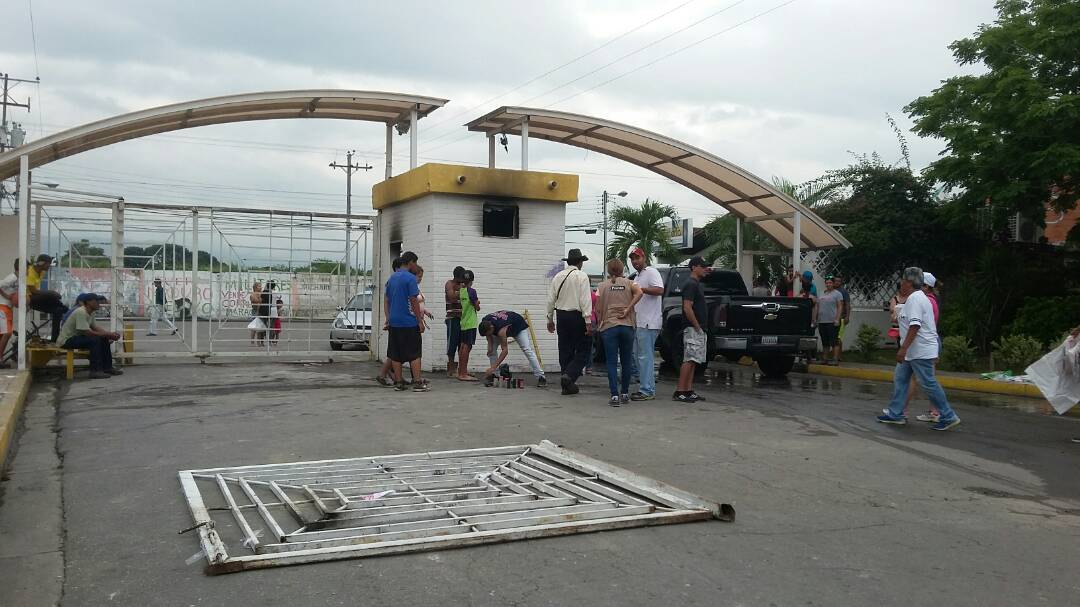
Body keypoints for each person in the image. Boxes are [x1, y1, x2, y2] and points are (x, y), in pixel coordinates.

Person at [877, 267, 961, 431]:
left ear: (908, 282)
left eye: (902, 280)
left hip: (919, 350)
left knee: (928, 383)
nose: (900, 283)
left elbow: (915, 325)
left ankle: (948, 415)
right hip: (912, 351)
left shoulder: (916, 299)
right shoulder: (915, 298)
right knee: (900, 379)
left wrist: (903, 348)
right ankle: (896, 414)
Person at [596, 259, 643, 406]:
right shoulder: (630, 283)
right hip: (627, 326)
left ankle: (614, 395)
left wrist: (600, 322)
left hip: (609, 326)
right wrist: (628, 308)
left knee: (611, 362)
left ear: (609, 271)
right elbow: (640, 293)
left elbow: (597, 307)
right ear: (622, 269)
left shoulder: (602, 286)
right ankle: (624, 393)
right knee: (626, 361)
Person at [546, 248, 593, 395]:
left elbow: (550, 299)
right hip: (577, 316)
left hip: (561, 316)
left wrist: (549, 318)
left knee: (565, 349)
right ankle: (569, 375)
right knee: (584, 349)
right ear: (580, 262)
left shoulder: (558, 276)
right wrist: (588, 320)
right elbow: (585, 300)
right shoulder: (582, 276)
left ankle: (567, 384)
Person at [386, 251, 428, 392]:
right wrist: (419, 321)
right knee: (414, 353)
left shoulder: (392, 278)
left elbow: (387, 300)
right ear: (410, 262)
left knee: (395, 353)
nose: (416, 266)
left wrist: (388, 318)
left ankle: (399, 382)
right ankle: (417, 382)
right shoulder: (410, 278)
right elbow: (414, 300)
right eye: (415, 263)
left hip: (394, 321)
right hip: (408, 321)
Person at [904, 272, 943, 423]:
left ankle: (902, 410)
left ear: (925, 287)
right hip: (930, 343)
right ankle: (935, 411)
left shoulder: (924, 301)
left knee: (920, 380)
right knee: (926, 379)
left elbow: (918, 325)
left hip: (925, 344)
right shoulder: (930, 300)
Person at [58, 292, 122, 379]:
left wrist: (108, 335)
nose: (99, 303)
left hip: (77, 338)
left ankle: (107, 368)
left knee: (102, 338)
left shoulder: (90, 312)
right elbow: (87, 332)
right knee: (95, 340)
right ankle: (95, 371)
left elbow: (95, 327)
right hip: (67, 340)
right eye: (96, 301)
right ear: (88, 302)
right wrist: (107, 334)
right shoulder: (81, 312)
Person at [629, 247, 664, 401]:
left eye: (637, 258)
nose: (635, 261)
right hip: (639, 322)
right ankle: (645, 387)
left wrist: (640, 289)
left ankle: (647, 390)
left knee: (645, 357)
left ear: (644, 258)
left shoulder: (651, 272)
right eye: (632, 259)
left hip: (649, 323)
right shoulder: (637, 276)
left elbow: (660, 289)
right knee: (638, 357)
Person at [479, 310, 547, 387]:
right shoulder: (485, 320)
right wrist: (490, 346)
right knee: (491, 351)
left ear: (491, 328)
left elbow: (505, 351)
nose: (488, 335)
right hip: (503, 325)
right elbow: (488, 334)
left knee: (527, 350)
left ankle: (541, 377)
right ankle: (494, 376)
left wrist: (493, 367)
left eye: (489, 333)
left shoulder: (501, 330)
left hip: (518, 326)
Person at [675, 256, 710, 403]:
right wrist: (696, 325)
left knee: (695, 359)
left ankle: (688, 390)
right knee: (689, 359)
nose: (705, 269)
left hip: (699, 327)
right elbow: (687, 307)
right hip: (692, 328)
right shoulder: (690, 284)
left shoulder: (696, 284)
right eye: (702, 266)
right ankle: (680, 391)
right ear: (694, 267)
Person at [26, 254, 68, 343]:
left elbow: (38, 291)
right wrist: (50, 293)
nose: (49, 266)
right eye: (48, 264)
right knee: (51, 295)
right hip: (29, 298)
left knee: (58, 310)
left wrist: (50, 294)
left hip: (36, 297)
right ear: (42, 263)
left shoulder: (42, 272)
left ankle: (54, 339)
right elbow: (33, 291)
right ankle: (63, 307)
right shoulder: (30, 271)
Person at [375, 258, 404, 386]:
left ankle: (392, 374)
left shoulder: (395, 280)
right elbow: (386, 301)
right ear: (398, 267)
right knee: (395, 351)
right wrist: (388, 317)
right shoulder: (392, 281)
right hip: (396, 320)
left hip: (396, 319)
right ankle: (383, 374)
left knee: (397, 351)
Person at [456, 270, 480, 381]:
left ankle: (460, 371)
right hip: (471, 322)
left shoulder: (461, 291)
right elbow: (477, 307)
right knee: (467, 347)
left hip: (463, 321)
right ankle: (463, 373)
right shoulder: (472, 291)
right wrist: (478, 303)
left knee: (462, 347)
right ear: (472, 281)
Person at [816, 276, 844, 365]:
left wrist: (837, 319)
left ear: (833, 284)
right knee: (825, 341)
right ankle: (825, 359)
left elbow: (840, 307)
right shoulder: (821, 293)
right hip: (822, 321)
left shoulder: (837, 294)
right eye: (827, 283)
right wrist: (816, 319)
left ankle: (835, 359)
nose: (828, 284)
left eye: (830, 283)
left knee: (834, 341)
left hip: (832, 321)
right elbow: (817, 306)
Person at [444, 266, 466, 377]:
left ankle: (461, 369)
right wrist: (464, 290)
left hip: (463, 318)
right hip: (453, 317)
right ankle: (451, 368)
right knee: (452, 343)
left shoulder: (463, 285)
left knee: (462, 344)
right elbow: (451, 296)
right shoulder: (450, 284)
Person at [0, 259, 18, 368]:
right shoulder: (12, 278)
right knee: (7, 333)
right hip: (3, 306)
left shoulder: (18, 279)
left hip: (7, 307)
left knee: (2, 334)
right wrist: (7, 296)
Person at [833, 274, 851, 362]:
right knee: (833, 336)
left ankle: (839, 355)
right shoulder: (831, 291)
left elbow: (847, 305)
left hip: (842, 317)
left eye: (839, 281)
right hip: (832, 317)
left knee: (839, 337)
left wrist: (847, 316)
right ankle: (834, 354)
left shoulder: (843, 292)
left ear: (841, 282)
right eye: (835, 281)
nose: (837, 283)